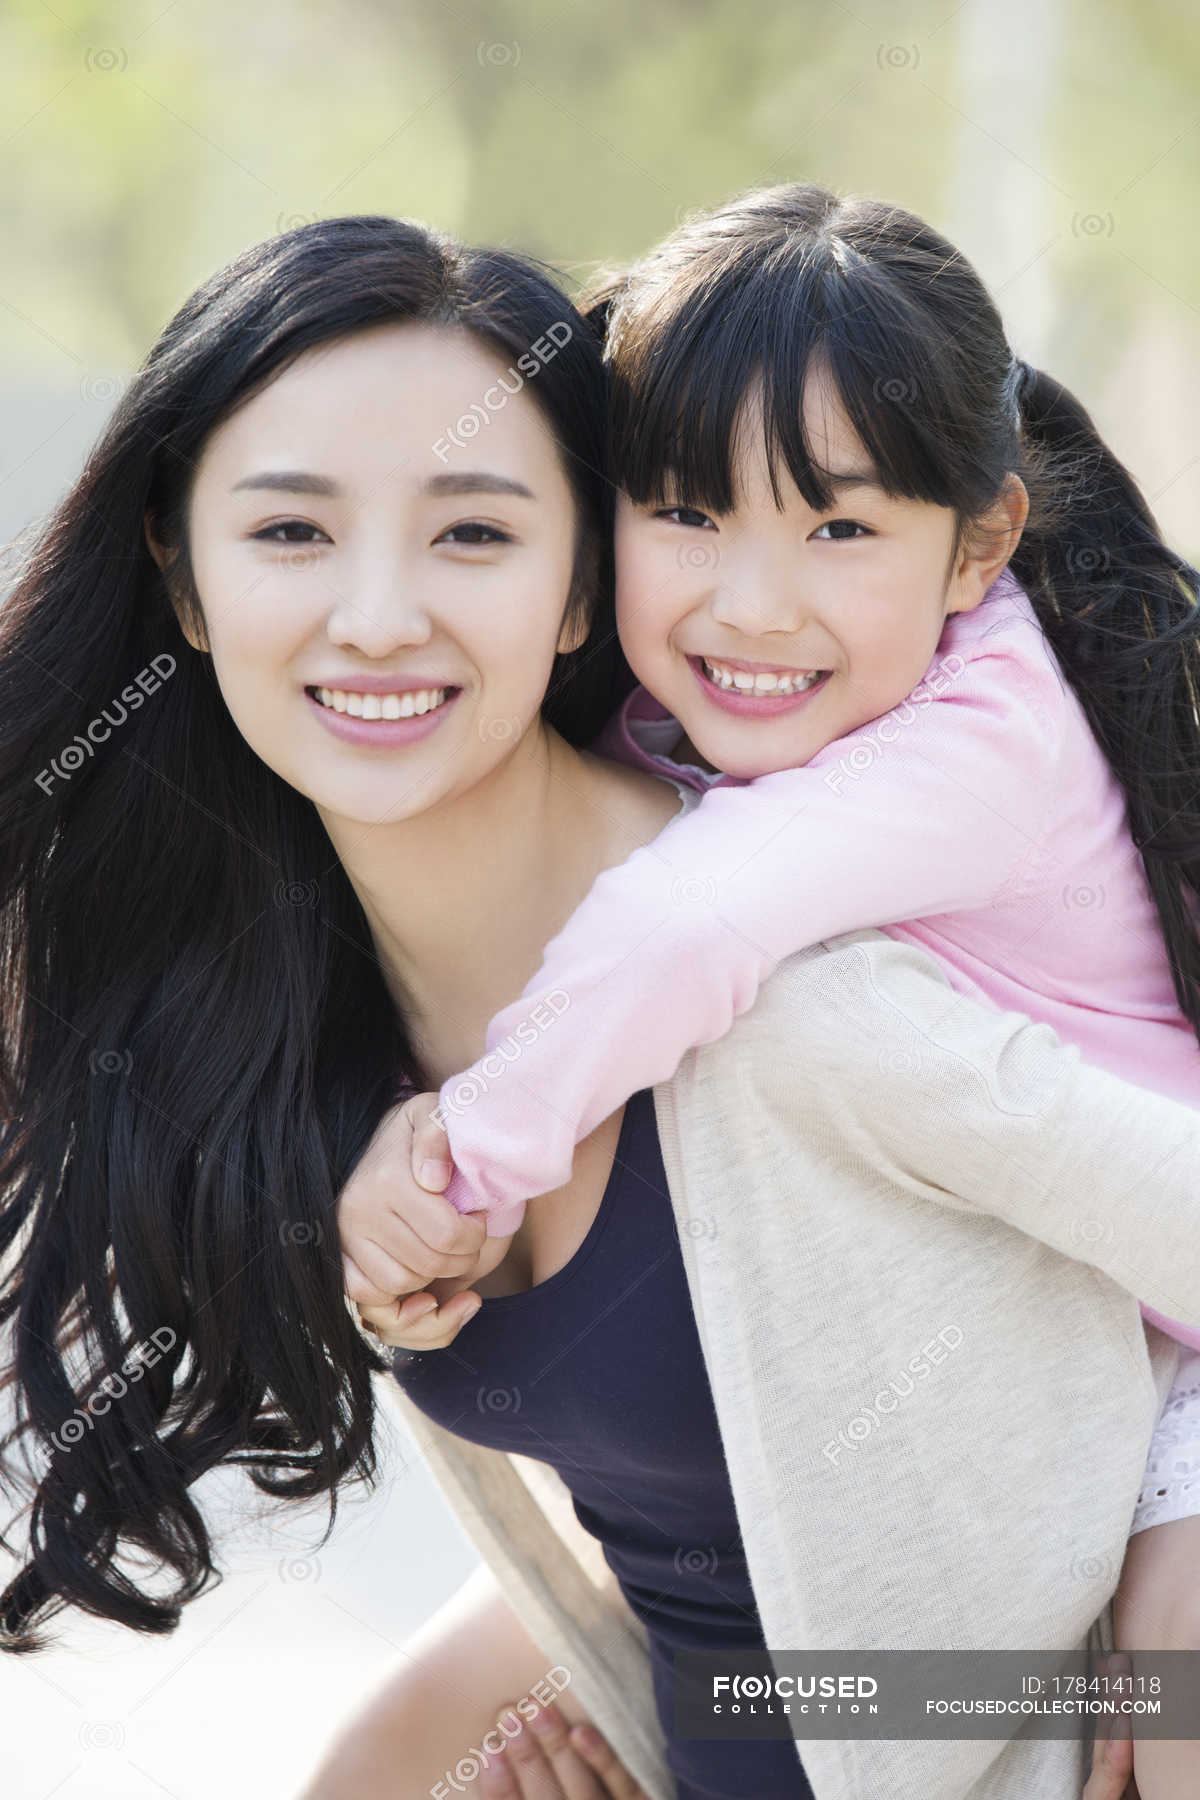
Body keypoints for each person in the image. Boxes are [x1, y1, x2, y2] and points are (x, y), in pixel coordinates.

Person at [0, 213, 1193, 1799]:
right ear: (185, 579)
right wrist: (618, 1687)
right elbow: (733, 1495)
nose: (374, 616)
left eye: (473, 534)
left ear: (576, 583)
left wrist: (1152, 1622)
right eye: (291, 532)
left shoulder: (800, 1003)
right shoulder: (324, 1012)